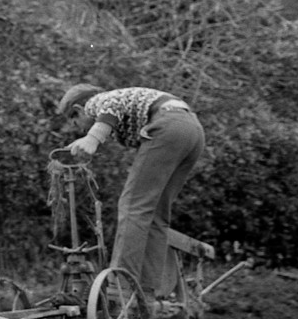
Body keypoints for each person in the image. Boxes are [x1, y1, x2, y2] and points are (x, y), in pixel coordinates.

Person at [56, 82, 207, 304]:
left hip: (169, 126)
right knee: (154, 214)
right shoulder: (127, 112)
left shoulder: (96, 102)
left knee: (133, 206)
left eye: (74, 120)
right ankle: (146, 293)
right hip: (192, 131)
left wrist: (92, 138)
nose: (78, 126)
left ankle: (121, 289)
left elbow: (112, 103)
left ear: (79, 110)